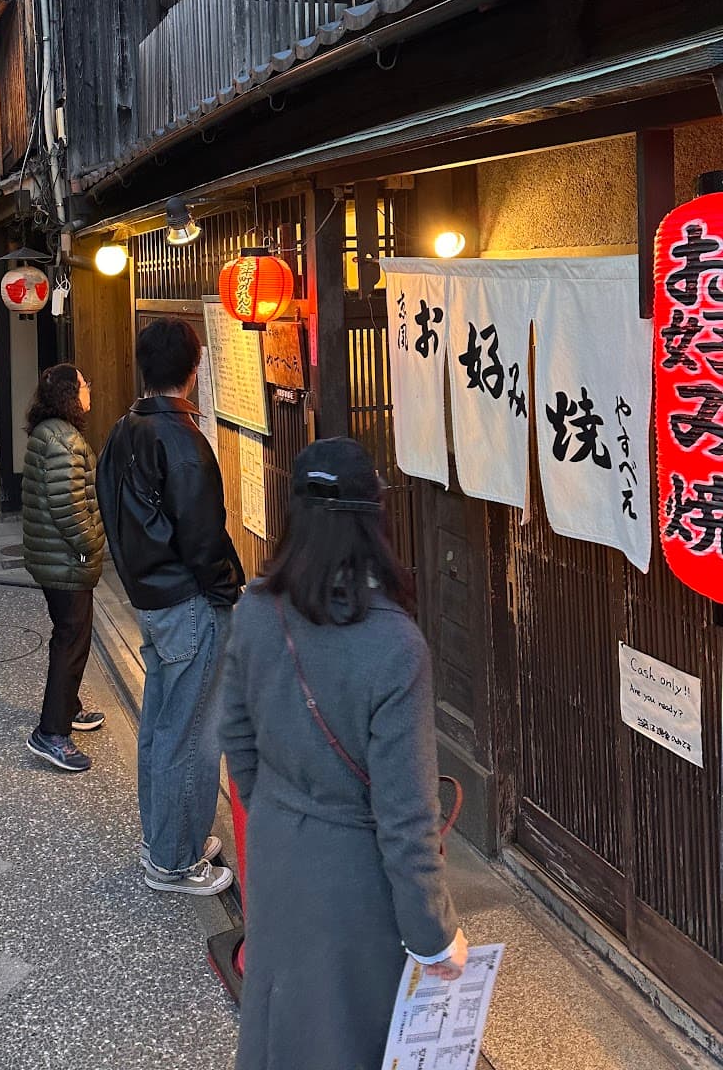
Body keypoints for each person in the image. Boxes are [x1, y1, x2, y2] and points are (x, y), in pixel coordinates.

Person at [221, 438, 467, 1070]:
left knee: (281, 1023)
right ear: (373, 520)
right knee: (348, 1036)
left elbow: (237, 739)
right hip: (354, 879)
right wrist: (435, 935)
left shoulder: (256, 611)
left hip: (275, 851)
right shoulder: (394, 645)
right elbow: (406, 817)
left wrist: (279, 809)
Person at [97, 318, 243, 896]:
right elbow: (203, 540)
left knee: (163, 726)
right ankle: (175, 859)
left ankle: (164, 838)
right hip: (189, 603)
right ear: (194, 367)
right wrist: (229, 589)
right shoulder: (181, 440)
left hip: (152, 599)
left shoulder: (123, 429)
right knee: (191, 732)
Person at [21, 365, 107, 774]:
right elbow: (69, 508)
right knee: (71, 641)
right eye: (85, 384)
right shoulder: (64, 442)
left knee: (68, 636)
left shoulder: (48, 432)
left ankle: (68, 707)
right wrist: (91, 546)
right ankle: (51, 732)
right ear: (71, 394)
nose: (90, 390)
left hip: (52, 557)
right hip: (65, 560)